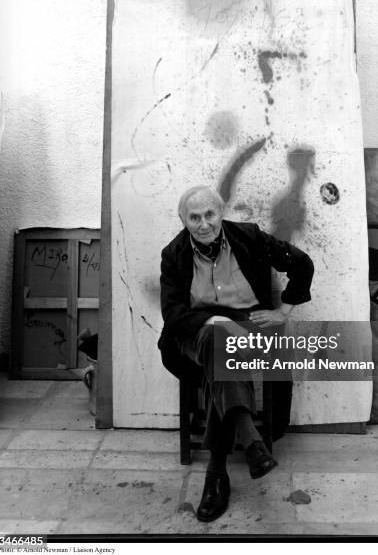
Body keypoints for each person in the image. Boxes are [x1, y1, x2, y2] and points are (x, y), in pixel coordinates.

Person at [158, 185, 314, 522]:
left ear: (221, 212)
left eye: (209, 215)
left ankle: (217, 474)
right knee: (220, 341)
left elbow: (301, 264)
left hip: (246, 330)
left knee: (225, 352)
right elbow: (172, 315)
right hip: (195, 333)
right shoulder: (173, 254)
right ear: (183, 220)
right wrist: (213, 320)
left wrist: (282, 312)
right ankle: (250, 441)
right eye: (194, 217)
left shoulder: (249, 237)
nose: (203, 224)